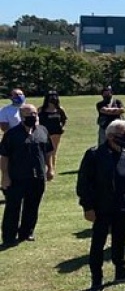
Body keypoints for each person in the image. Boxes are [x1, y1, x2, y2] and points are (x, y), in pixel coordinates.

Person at [76, 119, 125, 291]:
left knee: (120, 240)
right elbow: (83, 184)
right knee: (98, 243)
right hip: (101, 207)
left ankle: (121, 270)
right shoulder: (94, 155)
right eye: (122, 133)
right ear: (111, 136)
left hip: (123, 206)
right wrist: (87, 207)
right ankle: (96, 280)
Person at [0, 103, 54, 246]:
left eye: (35, 114)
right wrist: (5, 176)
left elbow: (48, 151)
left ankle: (26, 232)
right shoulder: (11, 134)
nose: (33, 117)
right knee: (13, 207)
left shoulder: (42, 130)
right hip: (17, 176)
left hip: (37, 176)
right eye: (29, 115)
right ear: (21, 116)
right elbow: (4, 156)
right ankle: (9, 237)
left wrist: (50, 168)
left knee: (33, 205)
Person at [38, 91, 68, 170]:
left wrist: (63, 127)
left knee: (53, 152)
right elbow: (37, 121)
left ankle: (52, 169)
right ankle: (44, 167)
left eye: (55, 96)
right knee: (44, 151)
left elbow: (64, 119)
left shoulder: (60, 109)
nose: (53, 98)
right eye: (51, 96)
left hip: (56, 132)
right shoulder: (41, 110)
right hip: (44, 133)